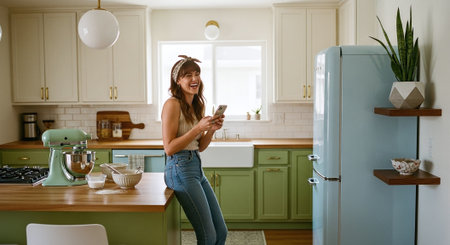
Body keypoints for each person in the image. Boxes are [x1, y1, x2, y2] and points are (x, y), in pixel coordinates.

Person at [161, 55, 228, 245]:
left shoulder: (198, 105)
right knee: (208, 236)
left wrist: (211, 130)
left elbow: (200, 147)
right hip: (179, 168)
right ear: (178, 80)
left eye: (197, 74)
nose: (194, 79)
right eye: (188, 75)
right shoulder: (172, 104)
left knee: (221, 232)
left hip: (196, 167)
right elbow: (169, 148)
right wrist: (198, 128)